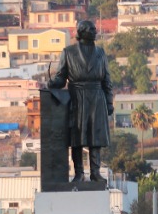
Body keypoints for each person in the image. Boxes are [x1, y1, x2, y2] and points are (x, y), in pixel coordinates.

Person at [48, 20, 113, 184]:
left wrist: (109, 101)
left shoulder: (101, 53)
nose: (94, 31)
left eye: (94, 29)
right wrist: (53, 83)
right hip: (76, 96)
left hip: (97, 97)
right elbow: (61, 78)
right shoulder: (68, 52)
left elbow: (107, 80)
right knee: (77, 138)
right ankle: (79, 173)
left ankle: (95, 172)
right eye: (91, 29)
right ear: (81, 32)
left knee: (95, 137)